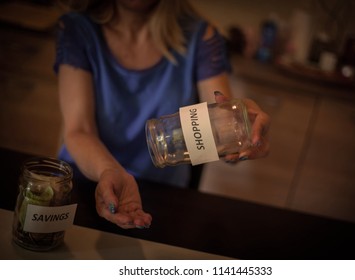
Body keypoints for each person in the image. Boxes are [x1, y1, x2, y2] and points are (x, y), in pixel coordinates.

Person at [54, 0, 270, 230]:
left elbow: (223, 130)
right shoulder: (78, 28)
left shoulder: (200, 36)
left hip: (161, 196)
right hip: (84, 179)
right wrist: (109, 171)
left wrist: (246, 130)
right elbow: (79, 130)